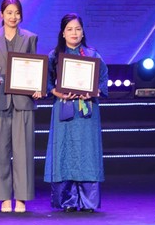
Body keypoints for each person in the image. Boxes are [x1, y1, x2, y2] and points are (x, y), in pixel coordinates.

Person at [44, 13, 108, 213]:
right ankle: (68, 200)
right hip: (64, 109)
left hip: (87, 112)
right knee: (64, 150)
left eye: (78, 29)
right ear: (63, 33)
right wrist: (56, 91)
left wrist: (95, 91)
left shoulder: (92, 55)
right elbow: (45, 82)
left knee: (87, 152)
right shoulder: (54, 56)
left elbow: (103, 78)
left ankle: (89, 201)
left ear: (83, 32)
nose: (74, 33)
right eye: (69, 29)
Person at [0, 0, 40, 213]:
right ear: (1, 15)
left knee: (23, 150)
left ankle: (22, 199)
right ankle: (3, 197)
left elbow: (35, 67)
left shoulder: (30, 38)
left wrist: (37, 87)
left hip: (23, 100)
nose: (13, 16)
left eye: (16, 12)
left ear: (21, 15)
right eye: (9, 12)